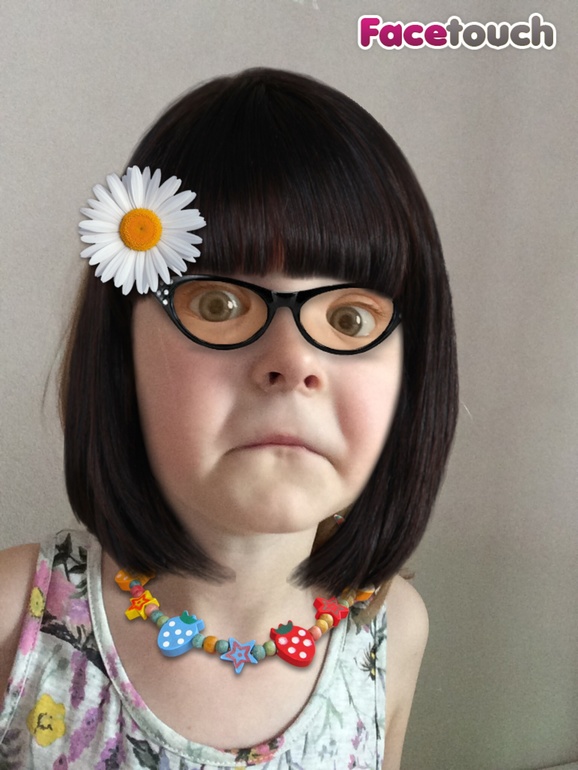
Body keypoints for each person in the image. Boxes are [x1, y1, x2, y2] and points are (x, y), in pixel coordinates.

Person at [0, 68, 457, 769]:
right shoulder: (13, 617)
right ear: (120, 352)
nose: (293, 361)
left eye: (349, 318)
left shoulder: (393, 632)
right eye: (219, 305)